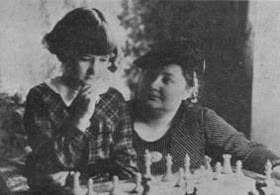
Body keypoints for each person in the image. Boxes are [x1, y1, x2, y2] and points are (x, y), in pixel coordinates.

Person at [23, 7, 137, 195]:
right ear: (65, 54)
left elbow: (126, 164)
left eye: (103, 60)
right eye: (86, 59)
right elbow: (47, 165)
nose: (95, 70)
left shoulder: (113, 99)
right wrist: (79, 119)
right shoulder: (41, 97)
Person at [129, 39, 280, 177]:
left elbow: (248, 152)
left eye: (167, 80)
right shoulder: (114, 115)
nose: (153, 85)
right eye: (149, 75)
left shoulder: (200, 120)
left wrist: (275, 168)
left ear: (188, 90)